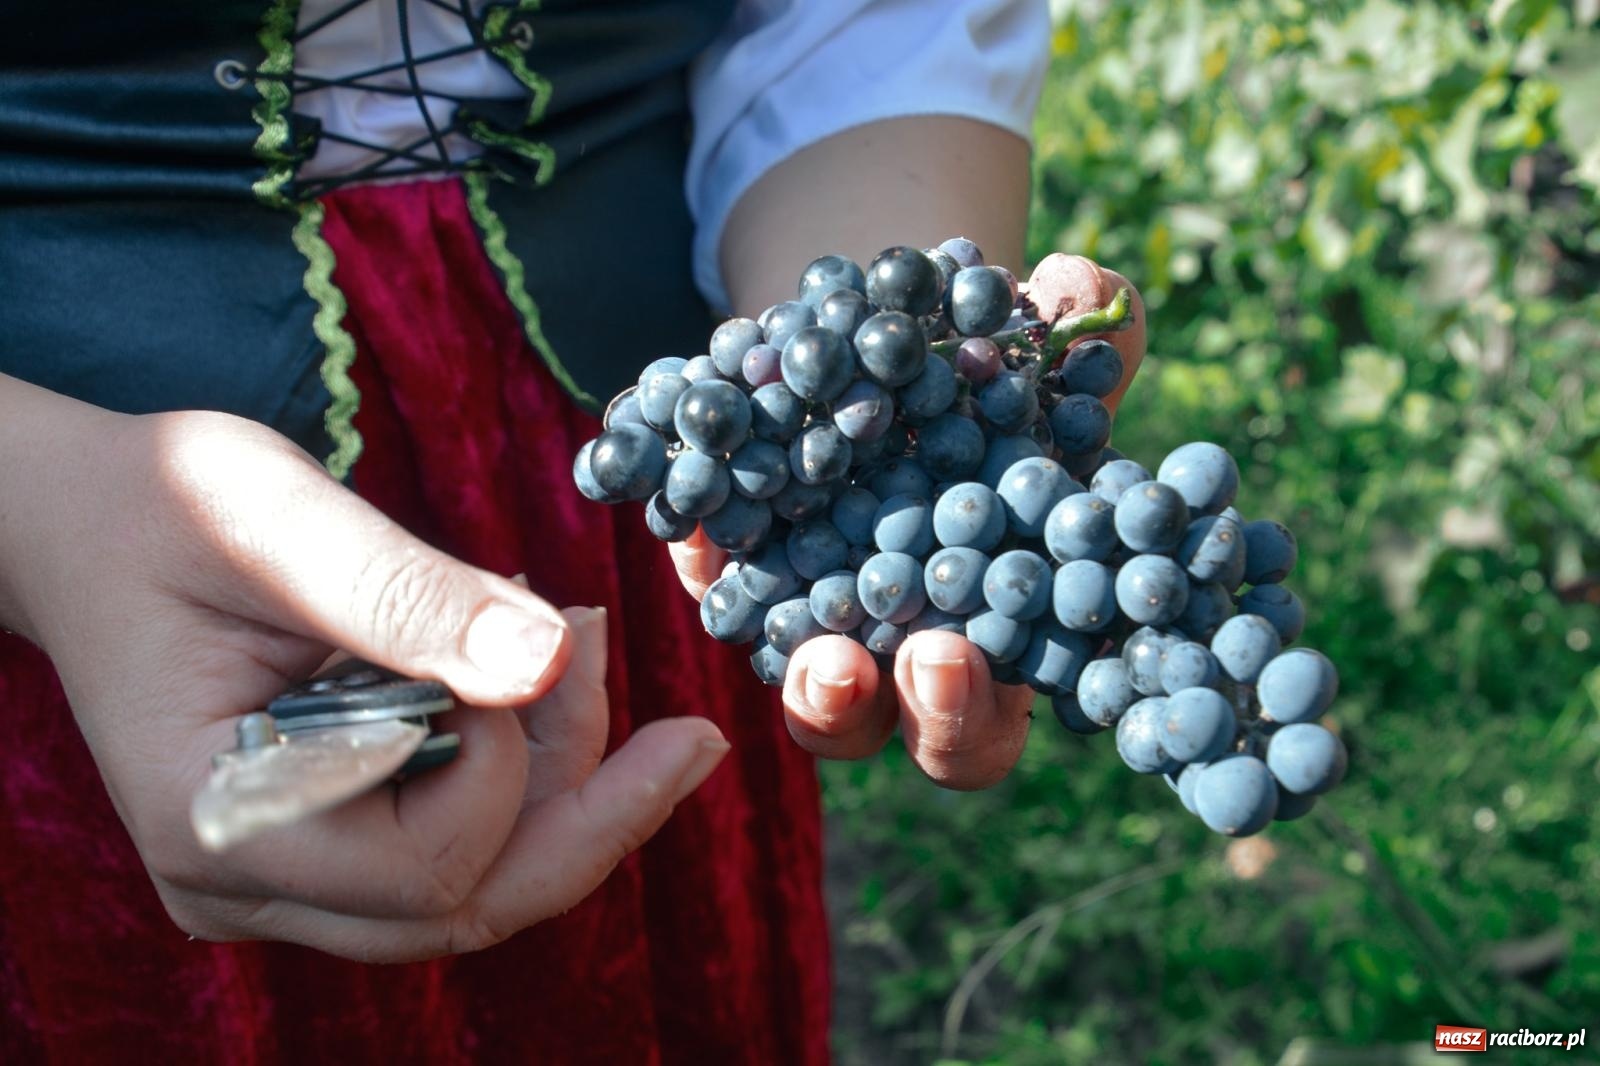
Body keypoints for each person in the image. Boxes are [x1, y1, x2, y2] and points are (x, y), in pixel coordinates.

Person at [0, 0, 1142, 1060]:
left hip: (671, 478)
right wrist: (41, 513)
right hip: (96, 535)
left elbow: (855, 32)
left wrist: (872, 382)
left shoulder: (717, 487)